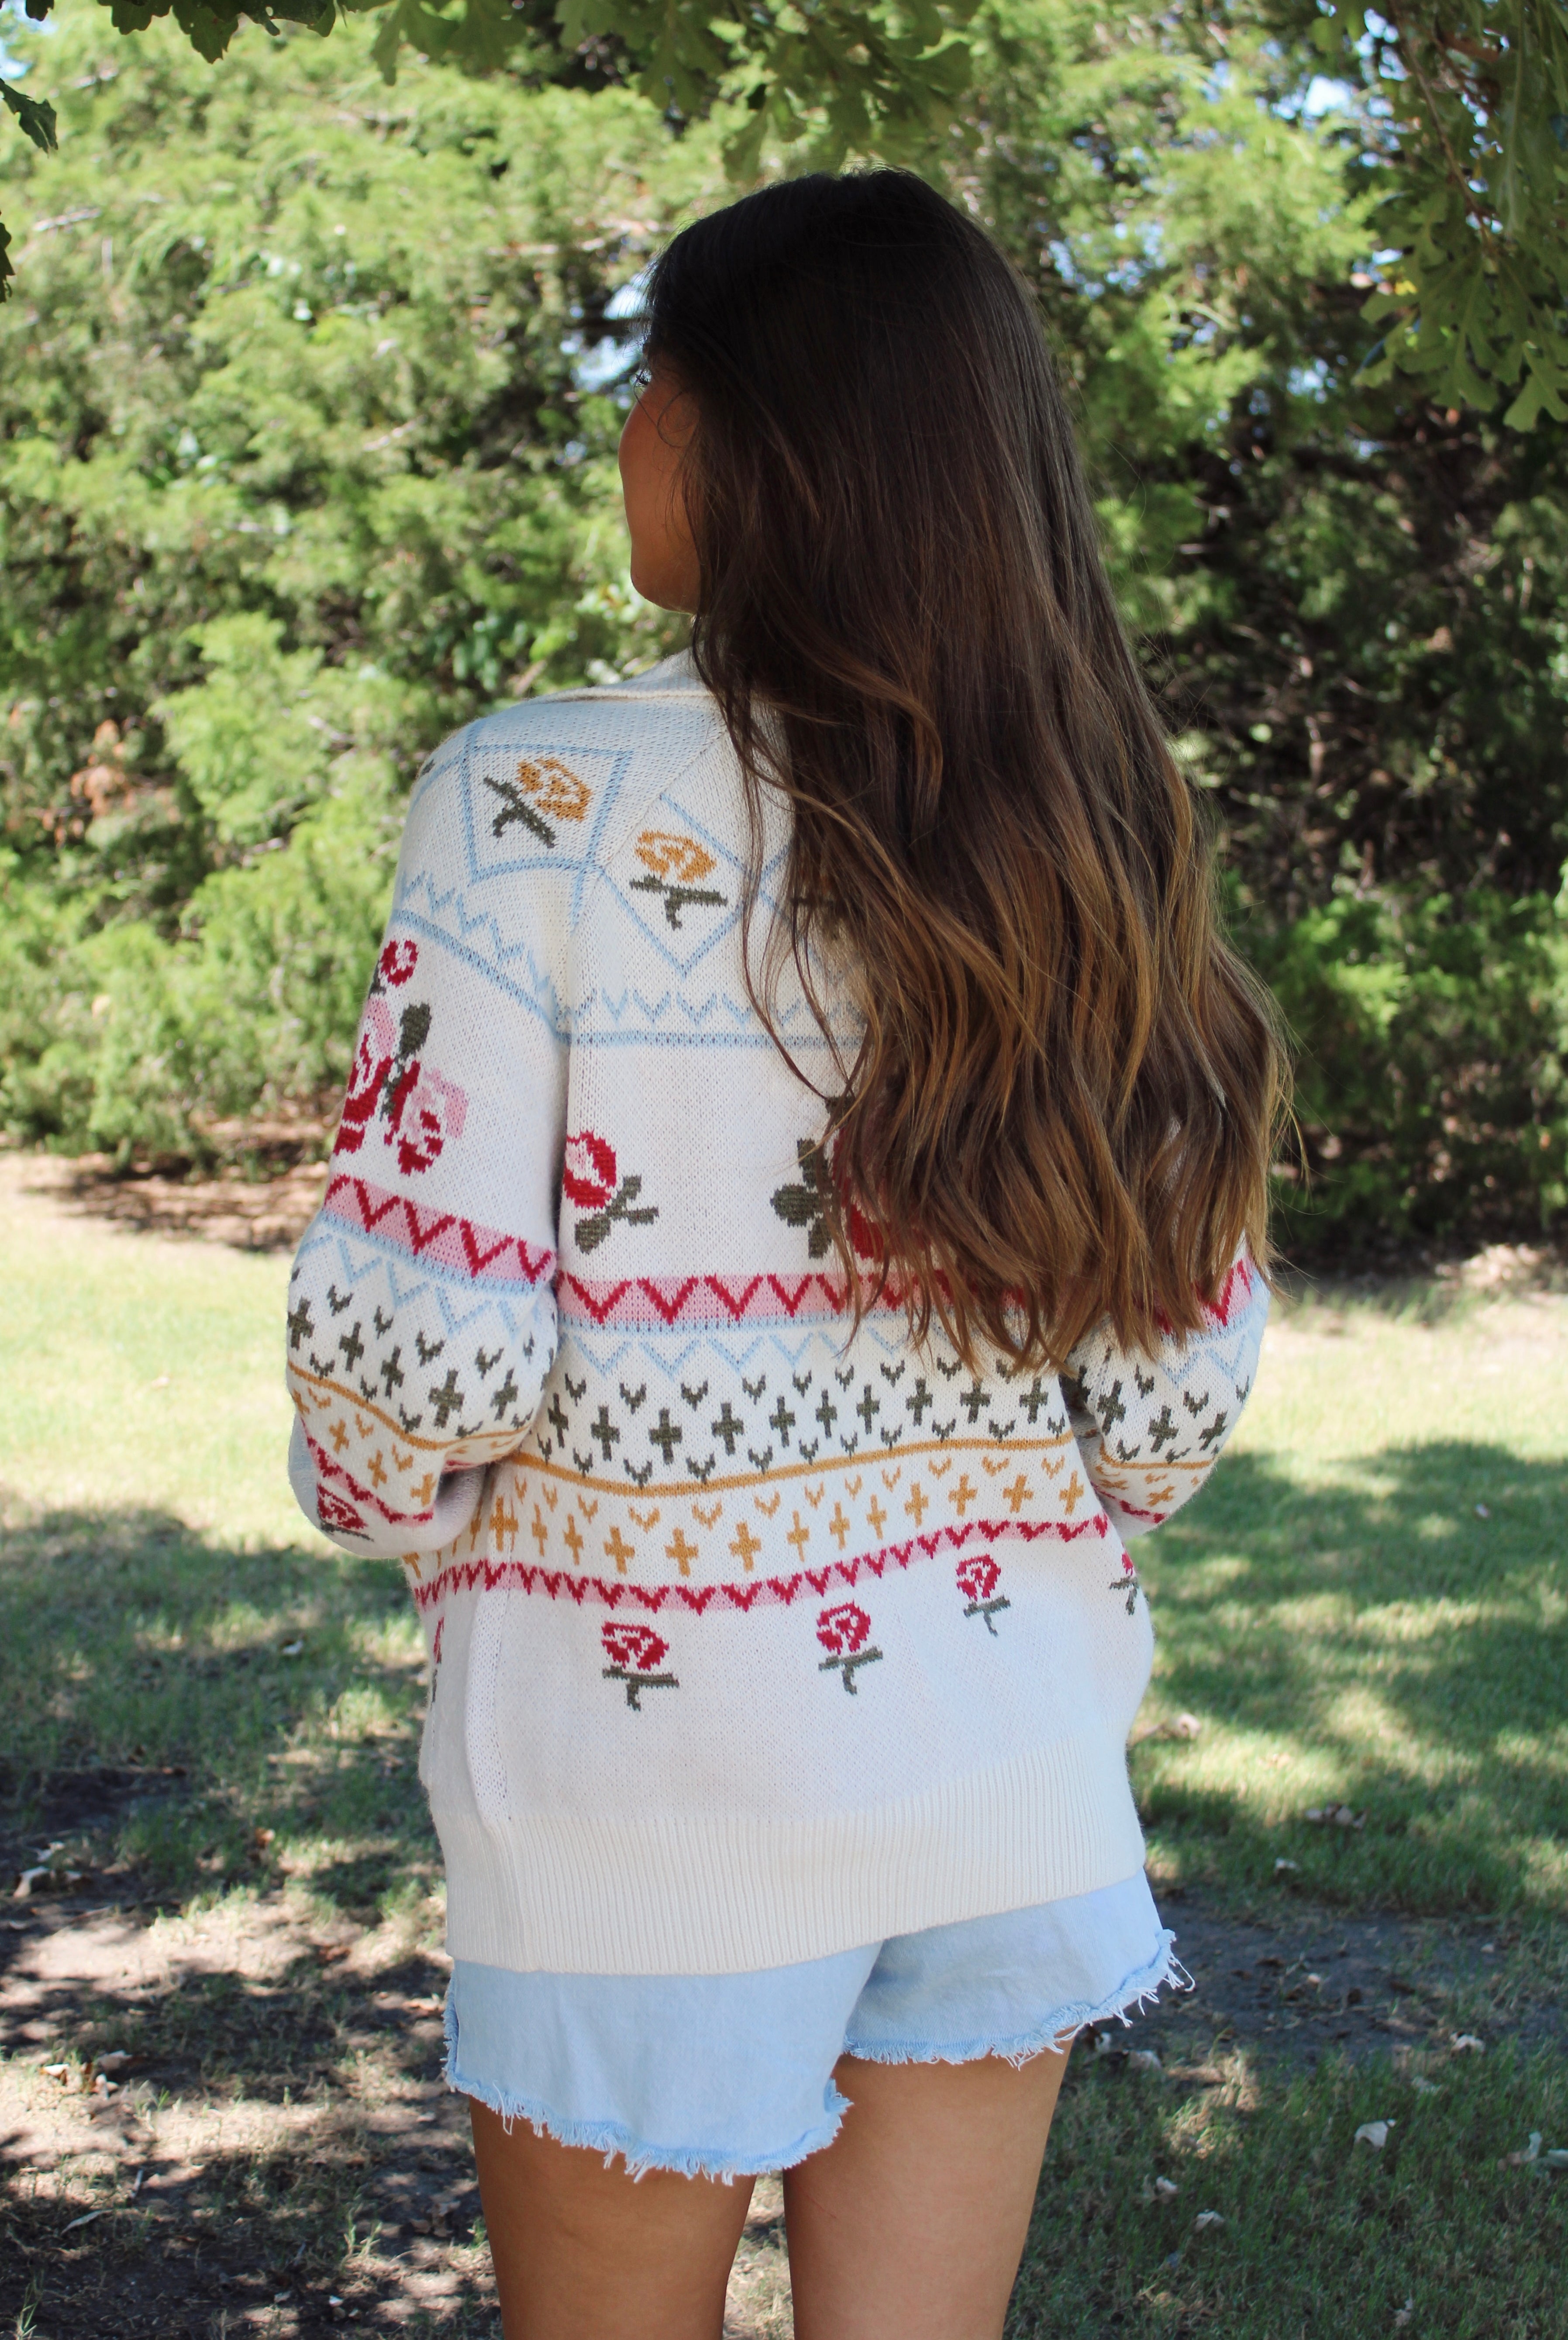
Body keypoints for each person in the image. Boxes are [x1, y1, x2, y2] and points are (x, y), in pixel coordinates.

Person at [283, 169, 1282, 2340]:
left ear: (768, 438)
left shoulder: (530, 806)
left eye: (652, 374)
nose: (623, 424)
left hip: (649, 1801)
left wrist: (379, 1500)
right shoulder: (1088, 822)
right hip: (1004, 1773)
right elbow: (1169, 1405)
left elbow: (410, 1380)